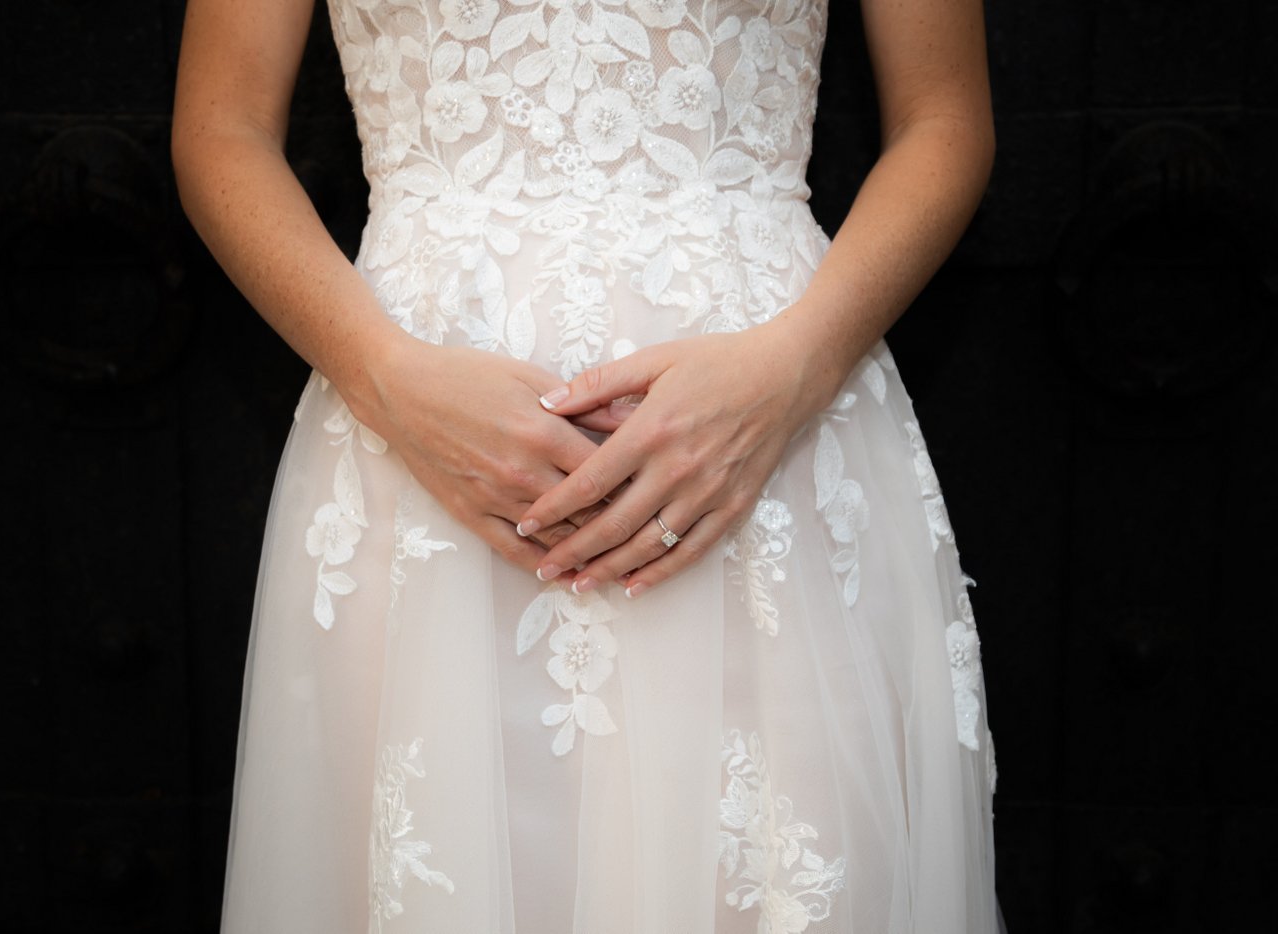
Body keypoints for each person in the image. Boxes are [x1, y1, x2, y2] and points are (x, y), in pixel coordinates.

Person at [173, 0, 1000, 930]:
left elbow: (945, 118)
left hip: (770, 459)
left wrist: (793, 369)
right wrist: (385, 374)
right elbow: (222, 124)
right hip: (415, 469)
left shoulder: (780, 400)